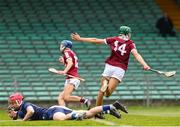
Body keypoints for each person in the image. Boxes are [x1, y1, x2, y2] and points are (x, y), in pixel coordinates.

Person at [71, 26, 150, 118]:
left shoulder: (113, 39)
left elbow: (95, 40)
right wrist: (144, 64)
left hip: (109, 66)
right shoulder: (130, 43)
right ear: (127, 34)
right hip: (119, 69)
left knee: (101, 92)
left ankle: (97, 113)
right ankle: (105, 94)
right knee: (107, 94)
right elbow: (136, 54)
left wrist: (80, 39)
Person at [8, 92, 127, 121]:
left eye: (13, 103)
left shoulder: (26, 105)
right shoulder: (20, 112)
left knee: (61, 119)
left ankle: (76, 115)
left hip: (51, 112)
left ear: (19, 101)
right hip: (57, 109)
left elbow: (31, 112)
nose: (11, 107)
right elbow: (21, 114)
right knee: (88, 114)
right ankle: (110, 107)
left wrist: (22, 121)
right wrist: (15, 116)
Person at [56, 40, 91, 109]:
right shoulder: (71, 52)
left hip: (73, 78)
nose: (61, 46)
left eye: (62, 45)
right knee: (60, 98)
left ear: (65, 46)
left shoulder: (67, 52)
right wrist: (64, 62)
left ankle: (85, 100)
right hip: (71, 78)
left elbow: (71, 63)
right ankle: (64, 112)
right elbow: (71, 65)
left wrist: (64, 71)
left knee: (66, 97)